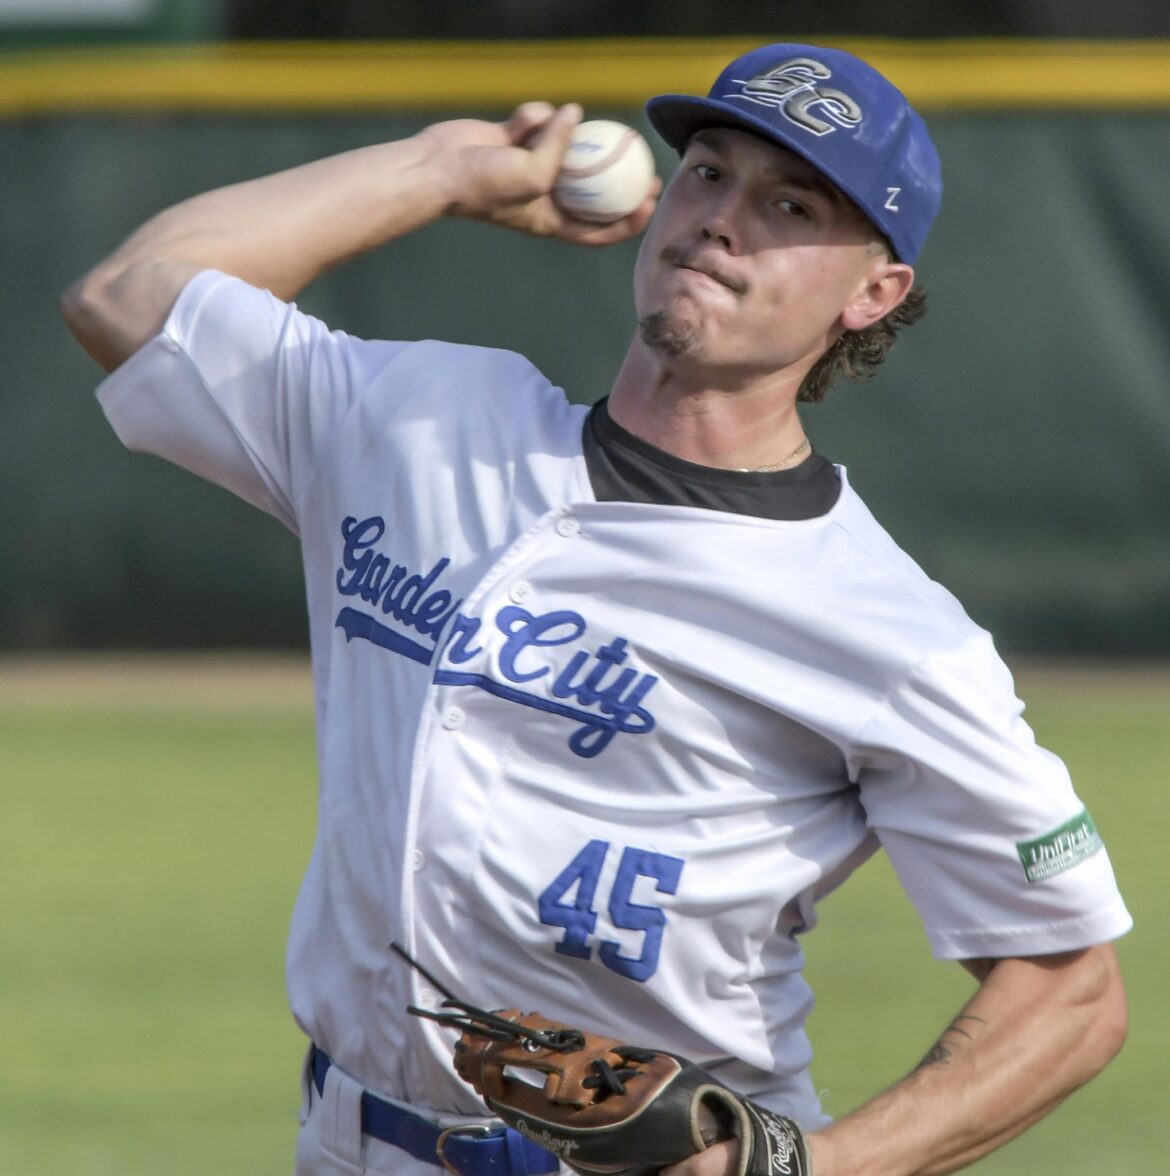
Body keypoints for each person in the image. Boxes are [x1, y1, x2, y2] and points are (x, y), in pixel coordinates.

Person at [62, 42, 1131, 1176]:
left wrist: (806, 1170)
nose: (722, 219)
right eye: (708, 173)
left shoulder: (886, 629)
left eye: (790, 205)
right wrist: (439, 169)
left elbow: (1071, 989)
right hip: (347, 1142)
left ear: (875, 294)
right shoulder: (423, 424)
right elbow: (129, 297)